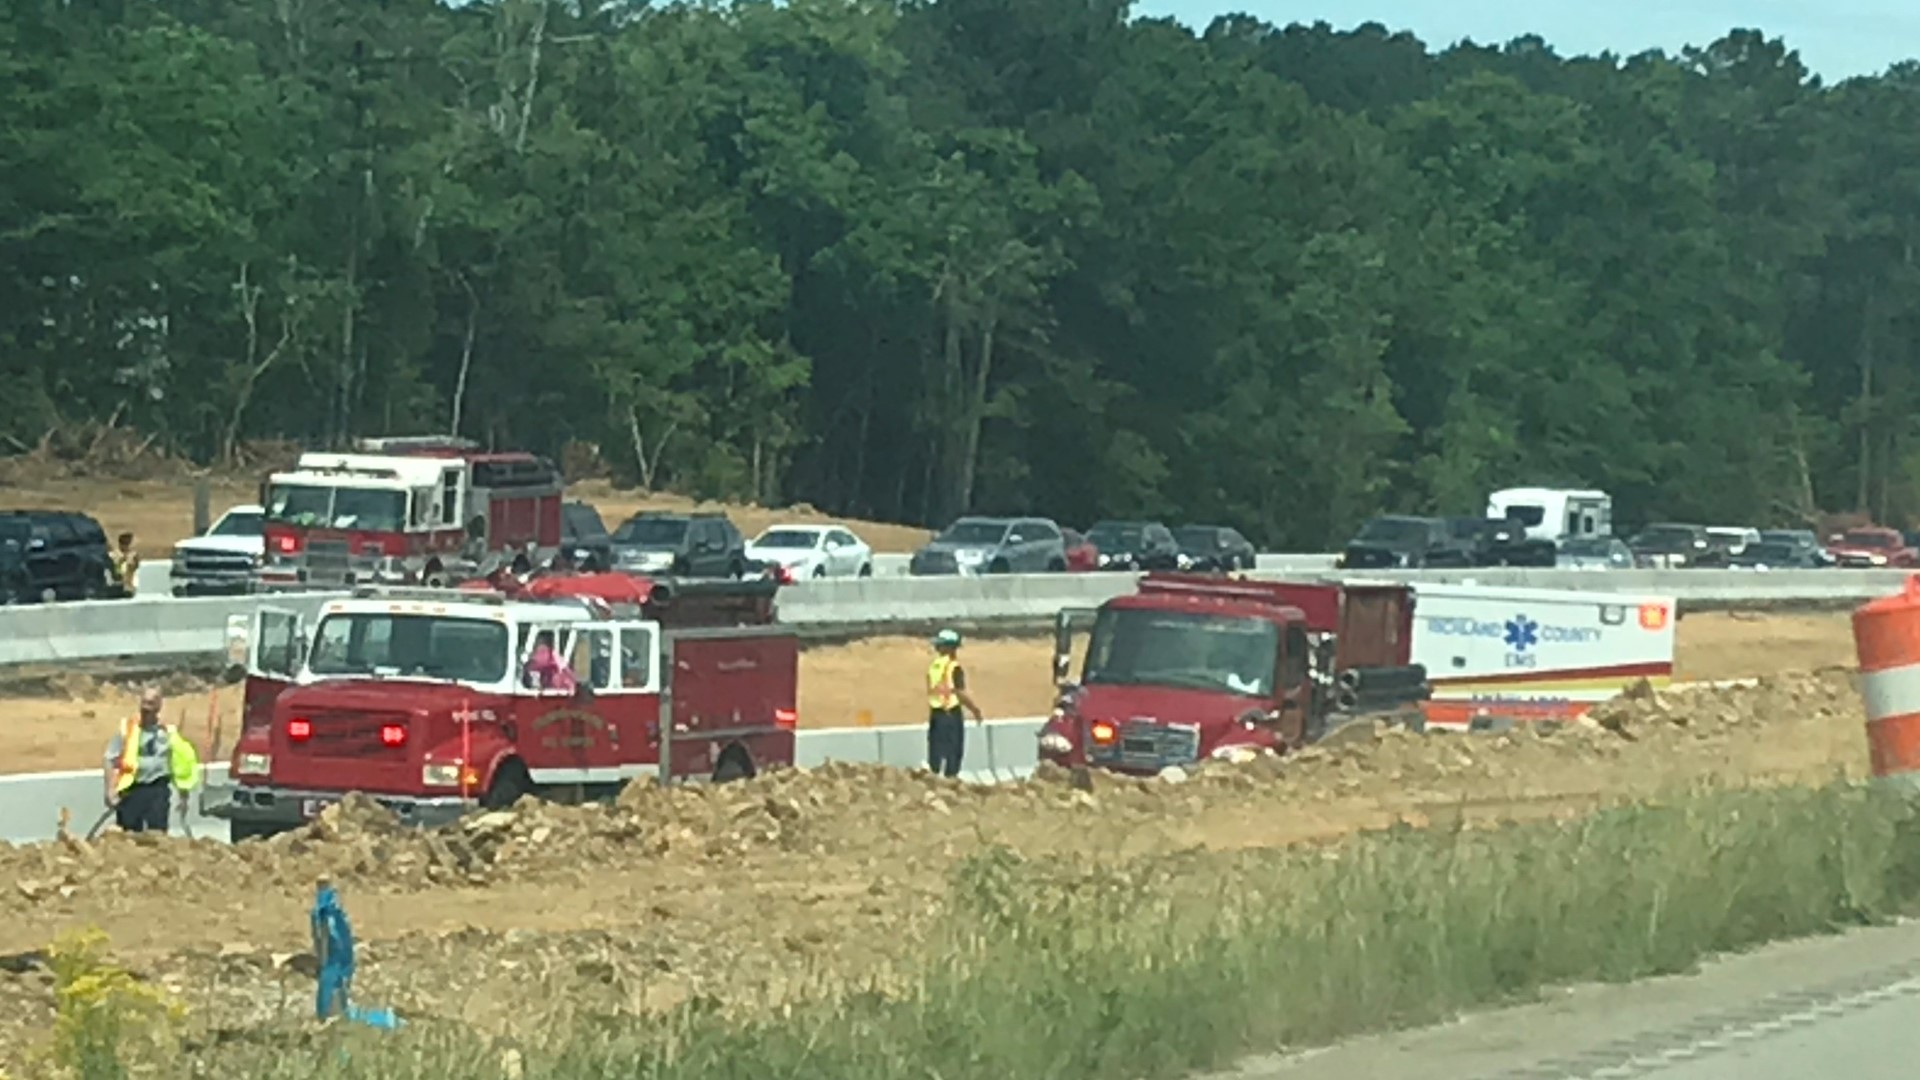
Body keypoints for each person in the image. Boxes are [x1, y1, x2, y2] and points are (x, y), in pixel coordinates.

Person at [101, 687, 201, 833]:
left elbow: (180, 766)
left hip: (157, 790)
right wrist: (110, 790)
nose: (146, 708)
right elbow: (109, 759)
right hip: (132, 791)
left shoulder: (168, 732)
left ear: (159, 706)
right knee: (129, 835)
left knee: (157, 835)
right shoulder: (128, 729)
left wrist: (184, 795)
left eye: (151, 703)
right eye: (144, 703)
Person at [926, 628, 984, 778]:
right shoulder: (953, 667)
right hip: (951, 714)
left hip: (935, 713)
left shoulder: (934, 667)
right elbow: (959, 692)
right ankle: (950, 781)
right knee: (953, 751)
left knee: (936, 751)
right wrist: (975, 709)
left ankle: (935, 778)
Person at [108, 531, 140, 596]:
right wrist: (123, 561)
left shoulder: (133, 556)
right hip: (119, 587)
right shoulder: (114, 556)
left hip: (130, 587)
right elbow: (117, 575)